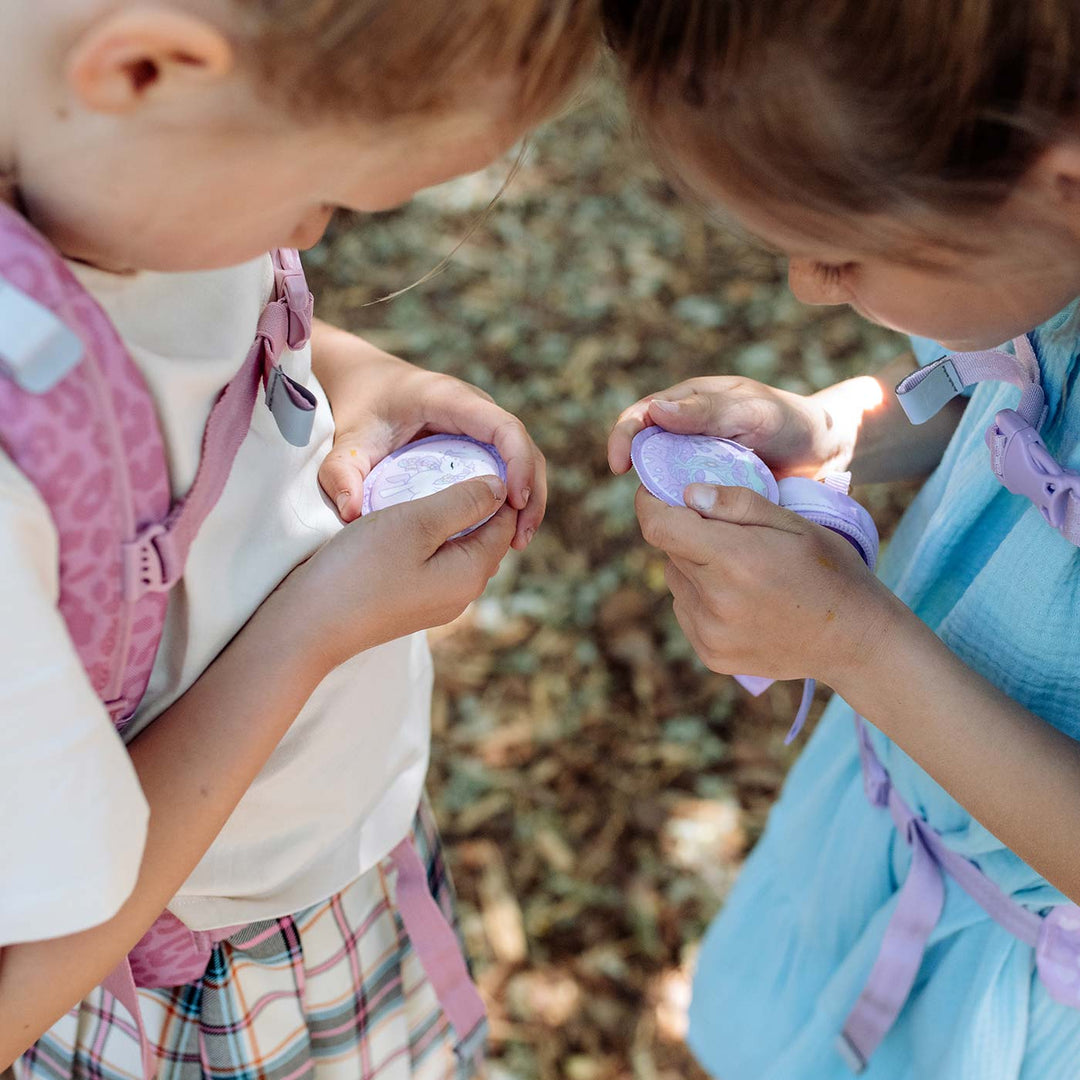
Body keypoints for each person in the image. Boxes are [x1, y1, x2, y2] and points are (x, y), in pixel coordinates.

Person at [0, 1, 596, 1076]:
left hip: (332, 867)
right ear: (144, 72)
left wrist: (366, 377)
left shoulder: (106, 164)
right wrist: (317, 627)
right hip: (192, 991)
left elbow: (204, 328)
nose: (311, 236)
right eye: (320, 197)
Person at [604, 1, 1080, 1077]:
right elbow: (1009, 405)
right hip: (888, 826)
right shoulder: (1054, 261)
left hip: (1018, 992)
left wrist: (857, 645)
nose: (803, 286)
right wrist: (830, 429)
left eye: (837, 254)